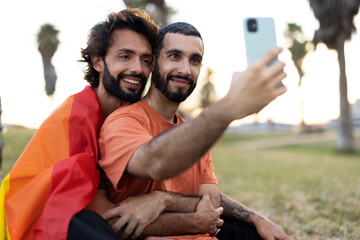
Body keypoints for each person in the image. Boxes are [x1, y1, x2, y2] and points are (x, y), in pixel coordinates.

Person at [94, 22, 292, 240]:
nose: (185, 70)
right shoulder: (124, 121)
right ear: (153, 64)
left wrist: (163, 200)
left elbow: (212, 200)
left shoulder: (193, 132)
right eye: (174, 56)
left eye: (194, 60)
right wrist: (229, 106)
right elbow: (155, 163)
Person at [0, 9, 161, 240]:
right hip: (27, 223)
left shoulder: (129, 117)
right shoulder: (77, 119)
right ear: (98, 62)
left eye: (146, 60)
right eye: (125, 56)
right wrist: (190, 220)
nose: (138, 68)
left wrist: (161, 200)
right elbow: (107, 215)